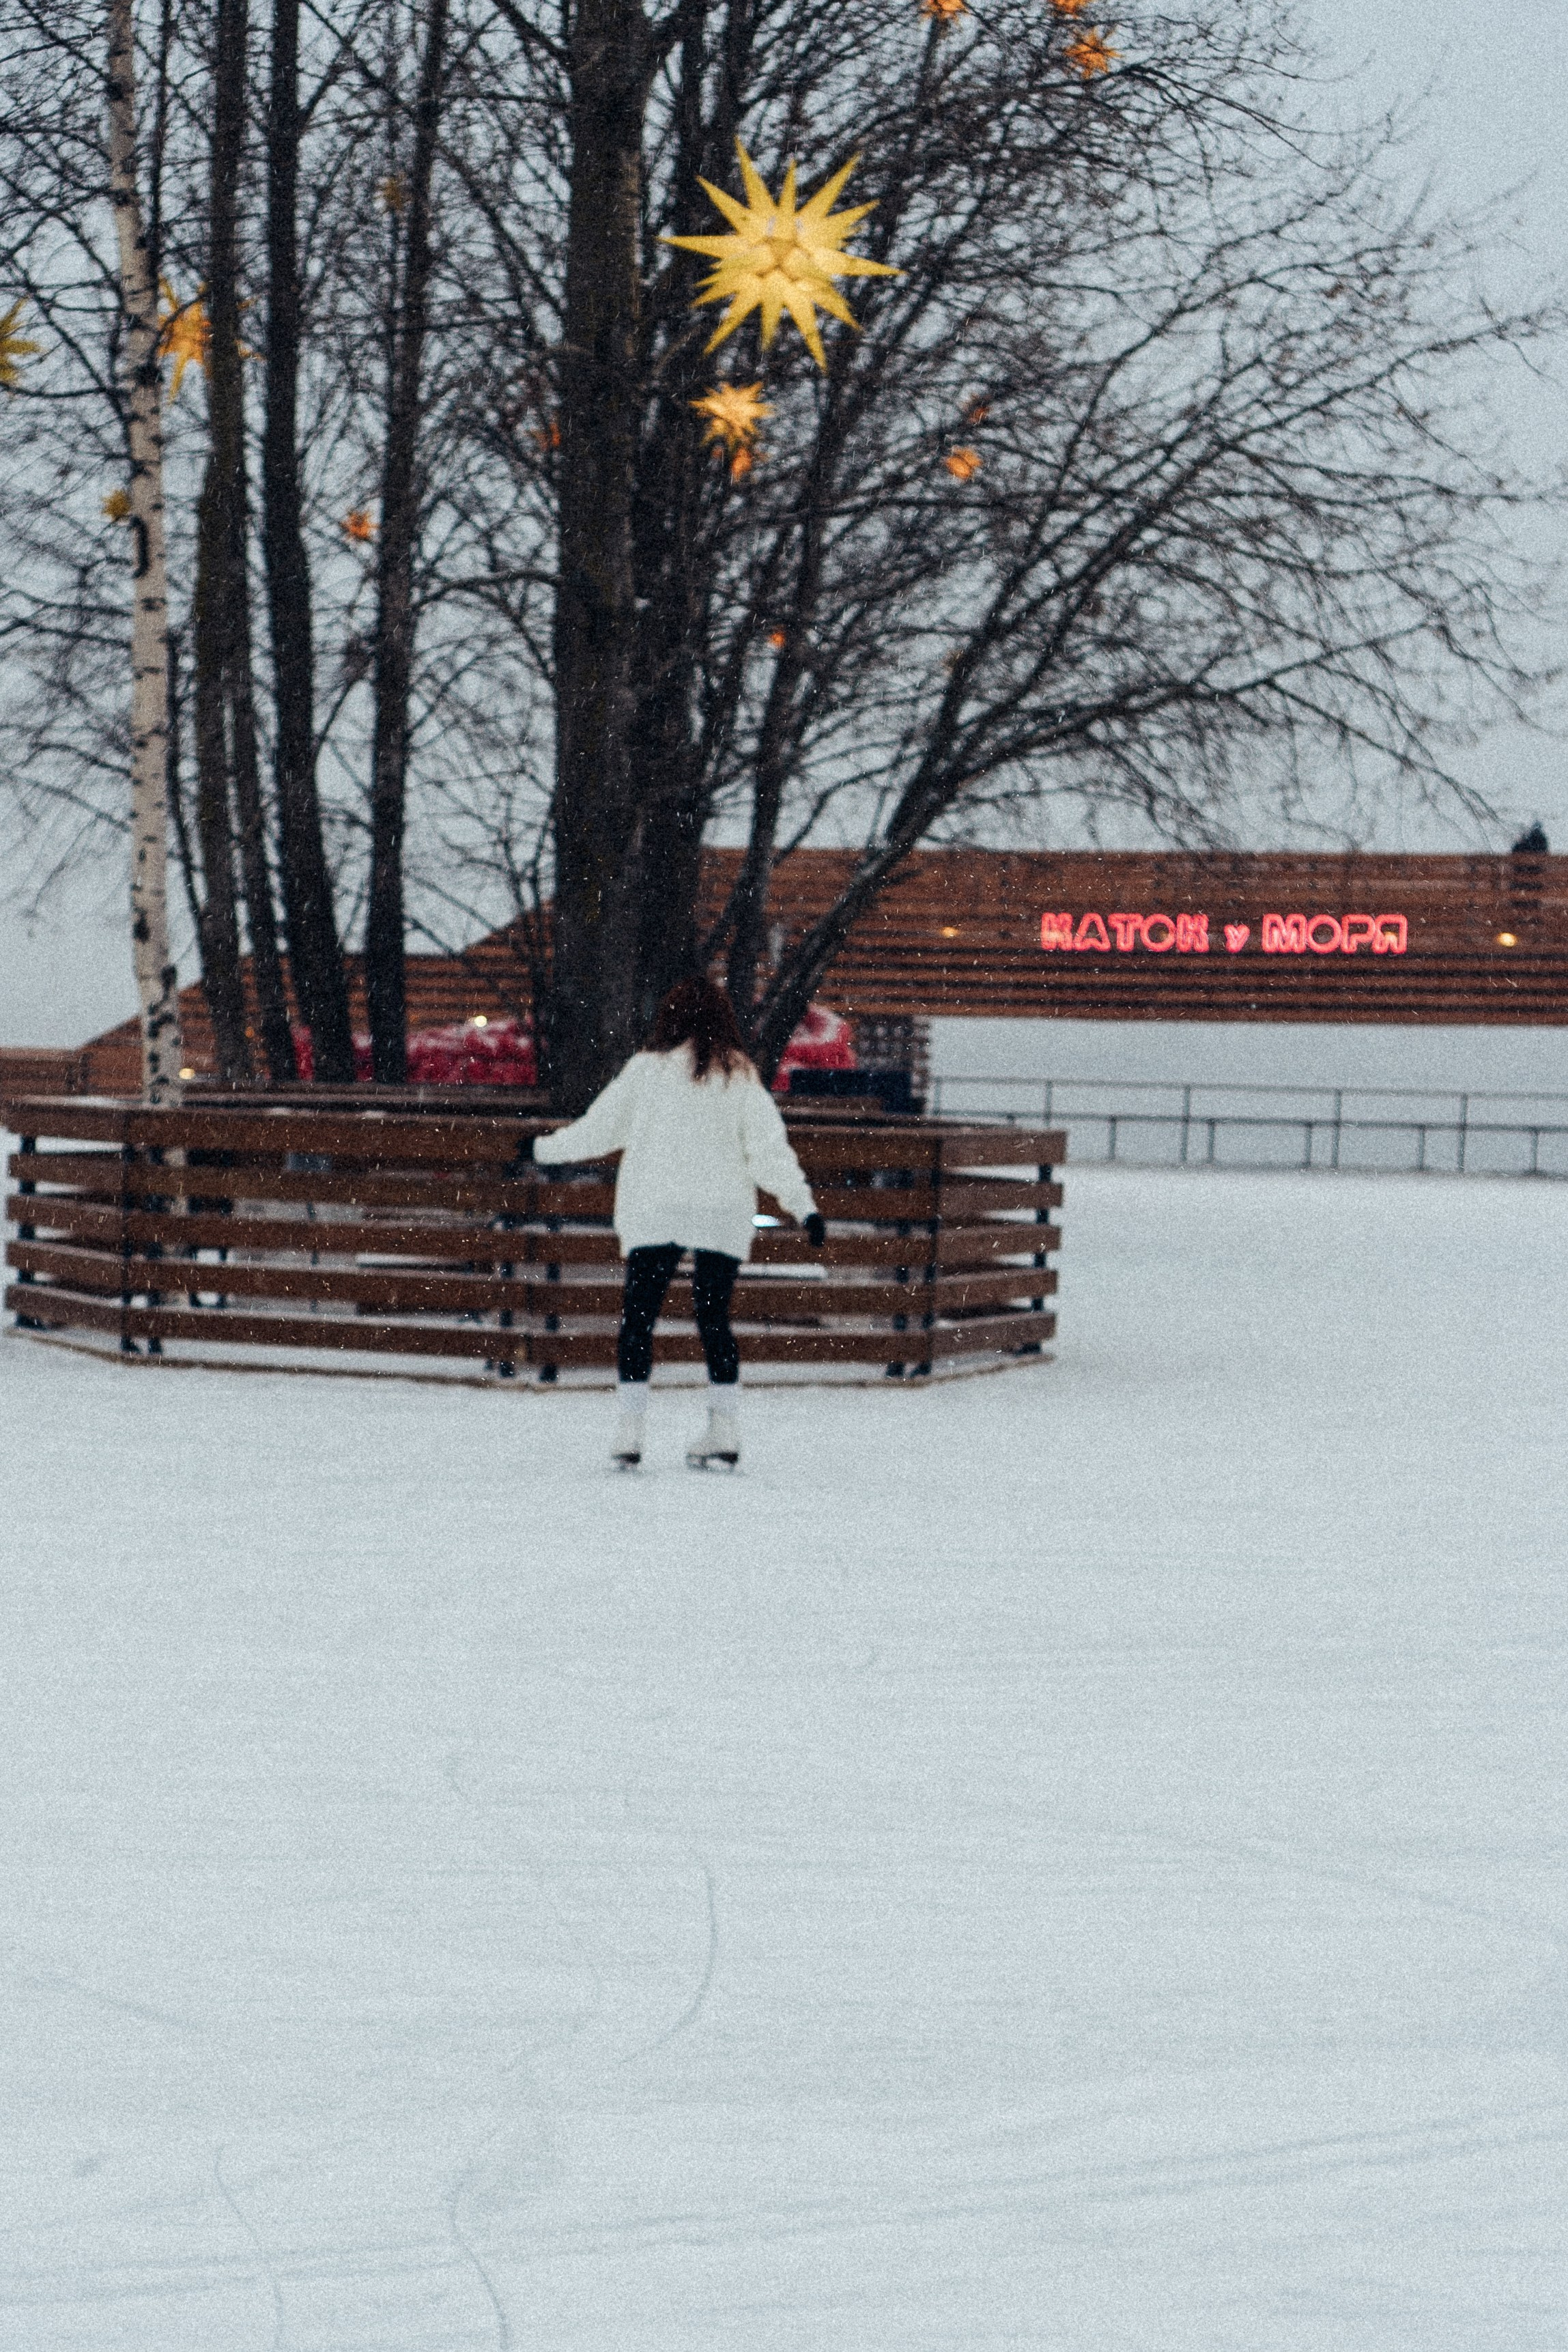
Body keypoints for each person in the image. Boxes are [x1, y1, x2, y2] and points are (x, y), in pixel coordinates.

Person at [531, 976, 827, 1470]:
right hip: (720, 1211)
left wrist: (542, 1148)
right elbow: (767, 1150)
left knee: (639, 1317)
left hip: (655, 1207)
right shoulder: (739, 1076)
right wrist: (804, 1205)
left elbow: (598, 1128)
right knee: (714, 1319)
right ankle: (724, 1427)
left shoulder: (645, 1072)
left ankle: (630, 1427)